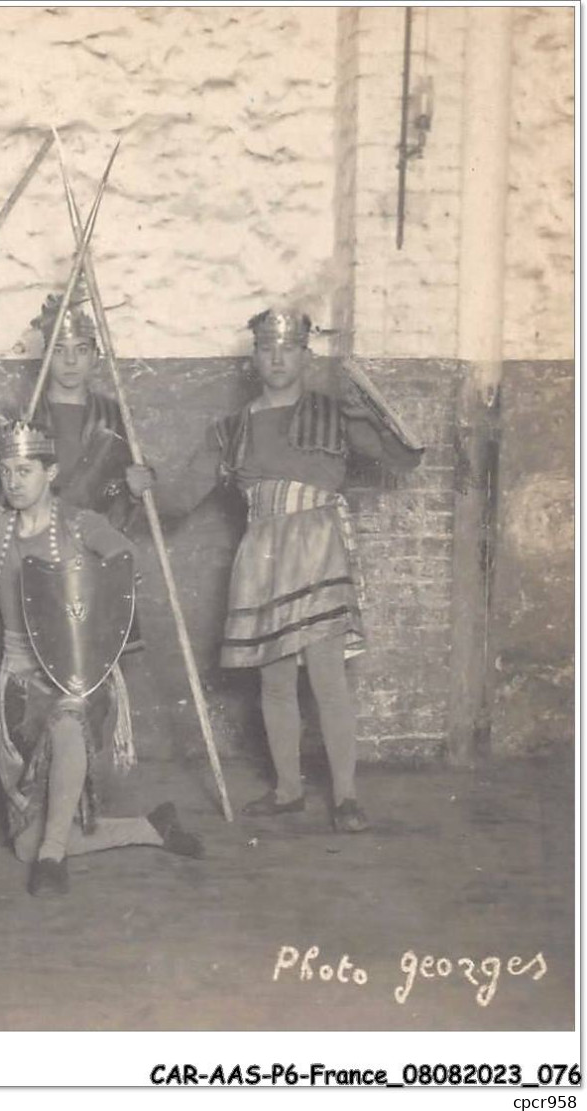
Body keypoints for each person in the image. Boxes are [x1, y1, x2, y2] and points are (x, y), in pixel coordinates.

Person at [0, 396, 202, 896]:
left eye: (25, 470)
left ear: (50, 473)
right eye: (7, 471)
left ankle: (53, 861)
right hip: (17, 674)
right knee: (26, 842)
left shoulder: (79, 523)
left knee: (68, 727)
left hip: (76, 671)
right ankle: (147, 828)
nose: (13, 481)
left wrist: (94, 589)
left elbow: (125, 560)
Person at [152, 307, 422, 832]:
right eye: (266, 348)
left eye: (288, 348)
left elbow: (403, 461)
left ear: (304, 353)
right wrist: (144, 484)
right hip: (263, 554)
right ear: (254, 356)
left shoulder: (333, 413)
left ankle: (345, 797)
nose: (276, 358)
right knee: (274, 680)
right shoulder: (231, 429)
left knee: (326, 678)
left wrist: (369, 416)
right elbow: (180, 500)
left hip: (317, 545)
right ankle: (289, 789)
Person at [0, 294, 150, 756]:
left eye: (81, 350)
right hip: (29, 550)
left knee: (96, 655)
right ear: (45, 354)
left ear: (95, 356)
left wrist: (139, 484)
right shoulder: (26, 417)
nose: (69, 362)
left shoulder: (112, 414)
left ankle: (90, 759)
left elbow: (124, 496)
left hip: (83, 552)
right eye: (59, 351)